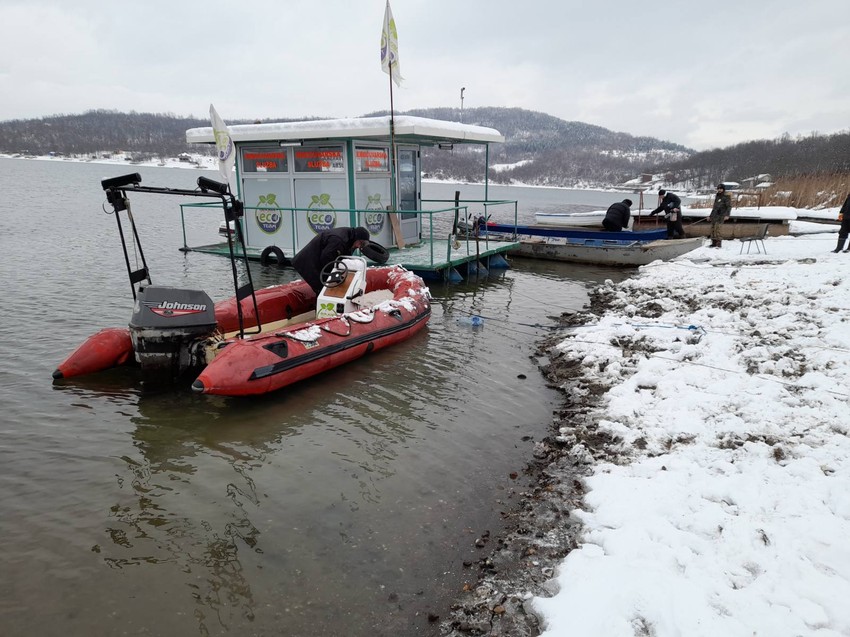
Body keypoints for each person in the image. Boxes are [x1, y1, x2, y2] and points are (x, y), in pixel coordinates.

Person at [291, 226, 371, 294]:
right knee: (322, 289)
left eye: (362, 244)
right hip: (309, 262)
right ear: (356, 238)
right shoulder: (338, 240)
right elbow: (326, 258)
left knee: (326, 285)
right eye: (360, 243)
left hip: (319, 259)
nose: (359, 246)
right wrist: (333, 275)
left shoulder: (350, 239)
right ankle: (320, 306)